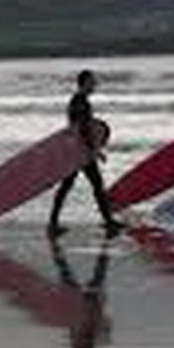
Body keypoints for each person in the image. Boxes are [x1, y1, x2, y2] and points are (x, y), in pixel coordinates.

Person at [47, 70, 124, 239]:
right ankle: (107, 220)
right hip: (80, 152)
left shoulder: (80, 100)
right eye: (92, 82)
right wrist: (94, 150)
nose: (95, 85)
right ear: (85, 83)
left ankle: (53, 223)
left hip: (77, 150)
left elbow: (84, 127)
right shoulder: (80, 102)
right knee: (94, 185)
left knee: (72, 186)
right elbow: (82, 128)